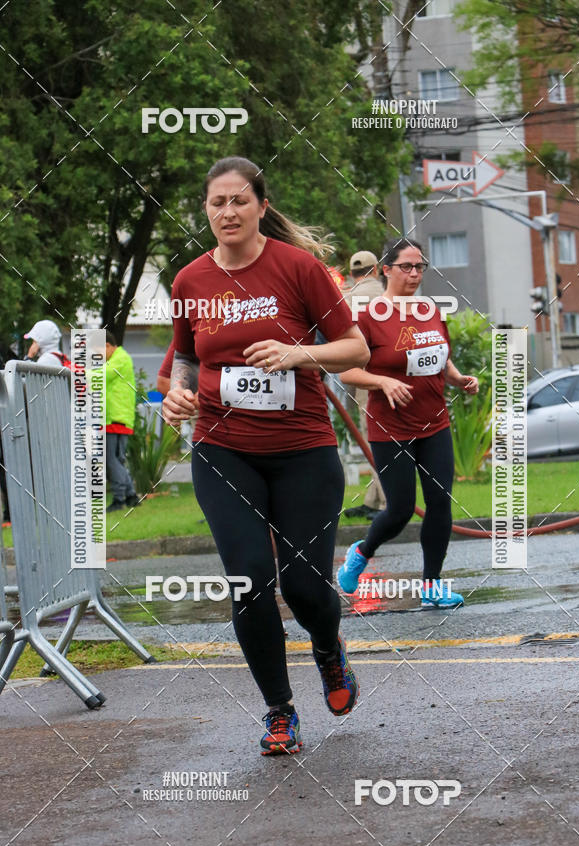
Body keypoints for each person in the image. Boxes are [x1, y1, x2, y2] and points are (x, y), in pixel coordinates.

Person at [163, 156, 370, 756]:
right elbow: (184, 357)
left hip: (303, 449)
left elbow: (354, 348)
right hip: (224, 452)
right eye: (216, 203)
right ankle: (279, 712)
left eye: (238, 201)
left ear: (261, 206)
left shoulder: (298, 269)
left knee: (306, 588)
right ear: (206, 210)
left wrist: (296, 354)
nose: (227, 213)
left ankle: (329, 651)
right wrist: (177, 394)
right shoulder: (189, 281)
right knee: (249, 581)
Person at [336, 238, 479, 608]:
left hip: (434, 424)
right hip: (391, 428)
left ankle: (432, 586)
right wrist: (381, 381)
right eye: (407, 267)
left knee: (440, 504)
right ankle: (362, 552)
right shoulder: (369, 316)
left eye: (420, 267)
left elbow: (439, 358)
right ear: (387, 270)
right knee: (399, 510)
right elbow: (346, 369)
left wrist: (459, 378)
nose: (415, 274)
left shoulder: (431, 310)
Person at [342, 251, 386, 520]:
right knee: (381, 439)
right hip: (388, 374)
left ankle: (386, 504)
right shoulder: (387, 295)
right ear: (378, 269)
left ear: (352, 273)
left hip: (360, 377)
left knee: (374, 439)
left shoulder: (345, 299)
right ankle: (375, 499)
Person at [101, 332, 141, 513]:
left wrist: (75, 372)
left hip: (116, 418)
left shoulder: (120, 359)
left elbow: (101, 375)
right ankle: (131, 496)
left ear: (108, 345)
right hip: (118, 417)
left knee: (112, 460)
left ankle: (119, 499)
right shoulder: (118, 358)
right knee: (117, 460)